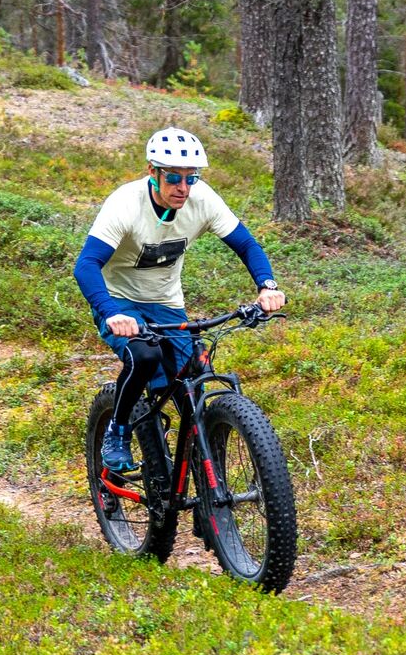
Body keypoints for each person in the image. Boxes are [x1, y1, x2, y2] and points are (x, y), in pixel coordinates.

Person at [72, 127, 285, 473]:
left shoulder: (202, 200)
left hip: (166, 302)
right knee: (144, 356)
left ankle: (204, 484)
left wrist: (267, 286)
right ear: (152, 172)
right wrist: (110, 312)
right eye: (173, 178)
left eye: (191, 178)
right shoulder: (125, 204)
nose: (183, 188)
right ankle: (118, 429)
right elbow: (86, 265)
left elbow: (246, 244)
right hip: (118, 300)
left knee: (191, 384)